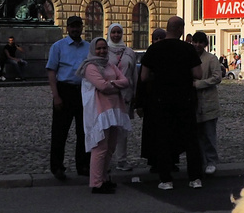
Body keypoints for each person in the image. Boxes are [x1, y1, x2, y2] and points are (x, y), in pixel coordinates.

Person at [138, 16, 204, 190]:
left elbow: (143, 76)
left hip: (161, 100)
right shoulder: (187, 49)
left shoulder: (154, 49)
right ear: (181, 29)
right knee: (191, 140)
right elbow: (198, 73)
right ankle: (195, 178)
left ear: (167, 29)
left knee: (163, 139)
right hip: (184, 98)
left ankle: (165, 179)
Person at [80, 37, 132, 194]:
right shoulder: (90, 67)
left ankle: (103, 178)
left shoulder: (109, 65)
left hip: (114, 109)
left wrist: (111, 85)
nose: (102, 51)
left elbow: (126, 81)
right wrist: (115, 84)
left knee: (110, 147)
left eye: (104, 48)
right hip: (100, 110)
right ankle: (96, 183)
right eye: (99, 48)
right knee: (100, 147)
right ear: (93, 50)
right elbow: (101, 85)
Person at [46, 15, 91, 180]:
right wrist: (56, 95)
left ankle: (83, 165)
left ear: (82, 28)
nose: (75, 29)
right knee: (59, 132)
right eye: (72, 26)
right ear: (67, 28)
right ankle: (57, 167)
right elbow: (51, 71)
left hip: (83, 92)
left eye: (78, 26)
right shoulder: (58, 47)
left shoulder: (89, 47)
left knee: (84, 131)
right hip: (64, 91)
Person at [105, 23, 139, 171]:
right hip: (108, 94)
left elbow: (134, 75)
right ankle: (105, 160)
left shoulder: (129, 52)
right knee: (107, 128)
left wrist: (136, 95)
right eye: (114, 32)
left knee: (122, 130)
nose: (116, 35)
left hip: (125, 96)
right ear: (109, 33)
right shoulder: (103, 51)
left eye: (119, 32)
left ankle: (121, 159)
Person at [191, 31, 223, 174]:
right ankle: (200, 161)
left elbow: (217, 77)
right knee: (197, 136)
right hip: (194, 102)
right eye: (195, 42)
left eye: (200, 42)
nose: (197, 45)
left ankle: (211, 161)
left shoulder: (211, 59)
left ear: (205, 44)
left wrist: (201, 84)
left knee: (209, 135)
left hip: (209, 102)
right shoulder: (190, 57)